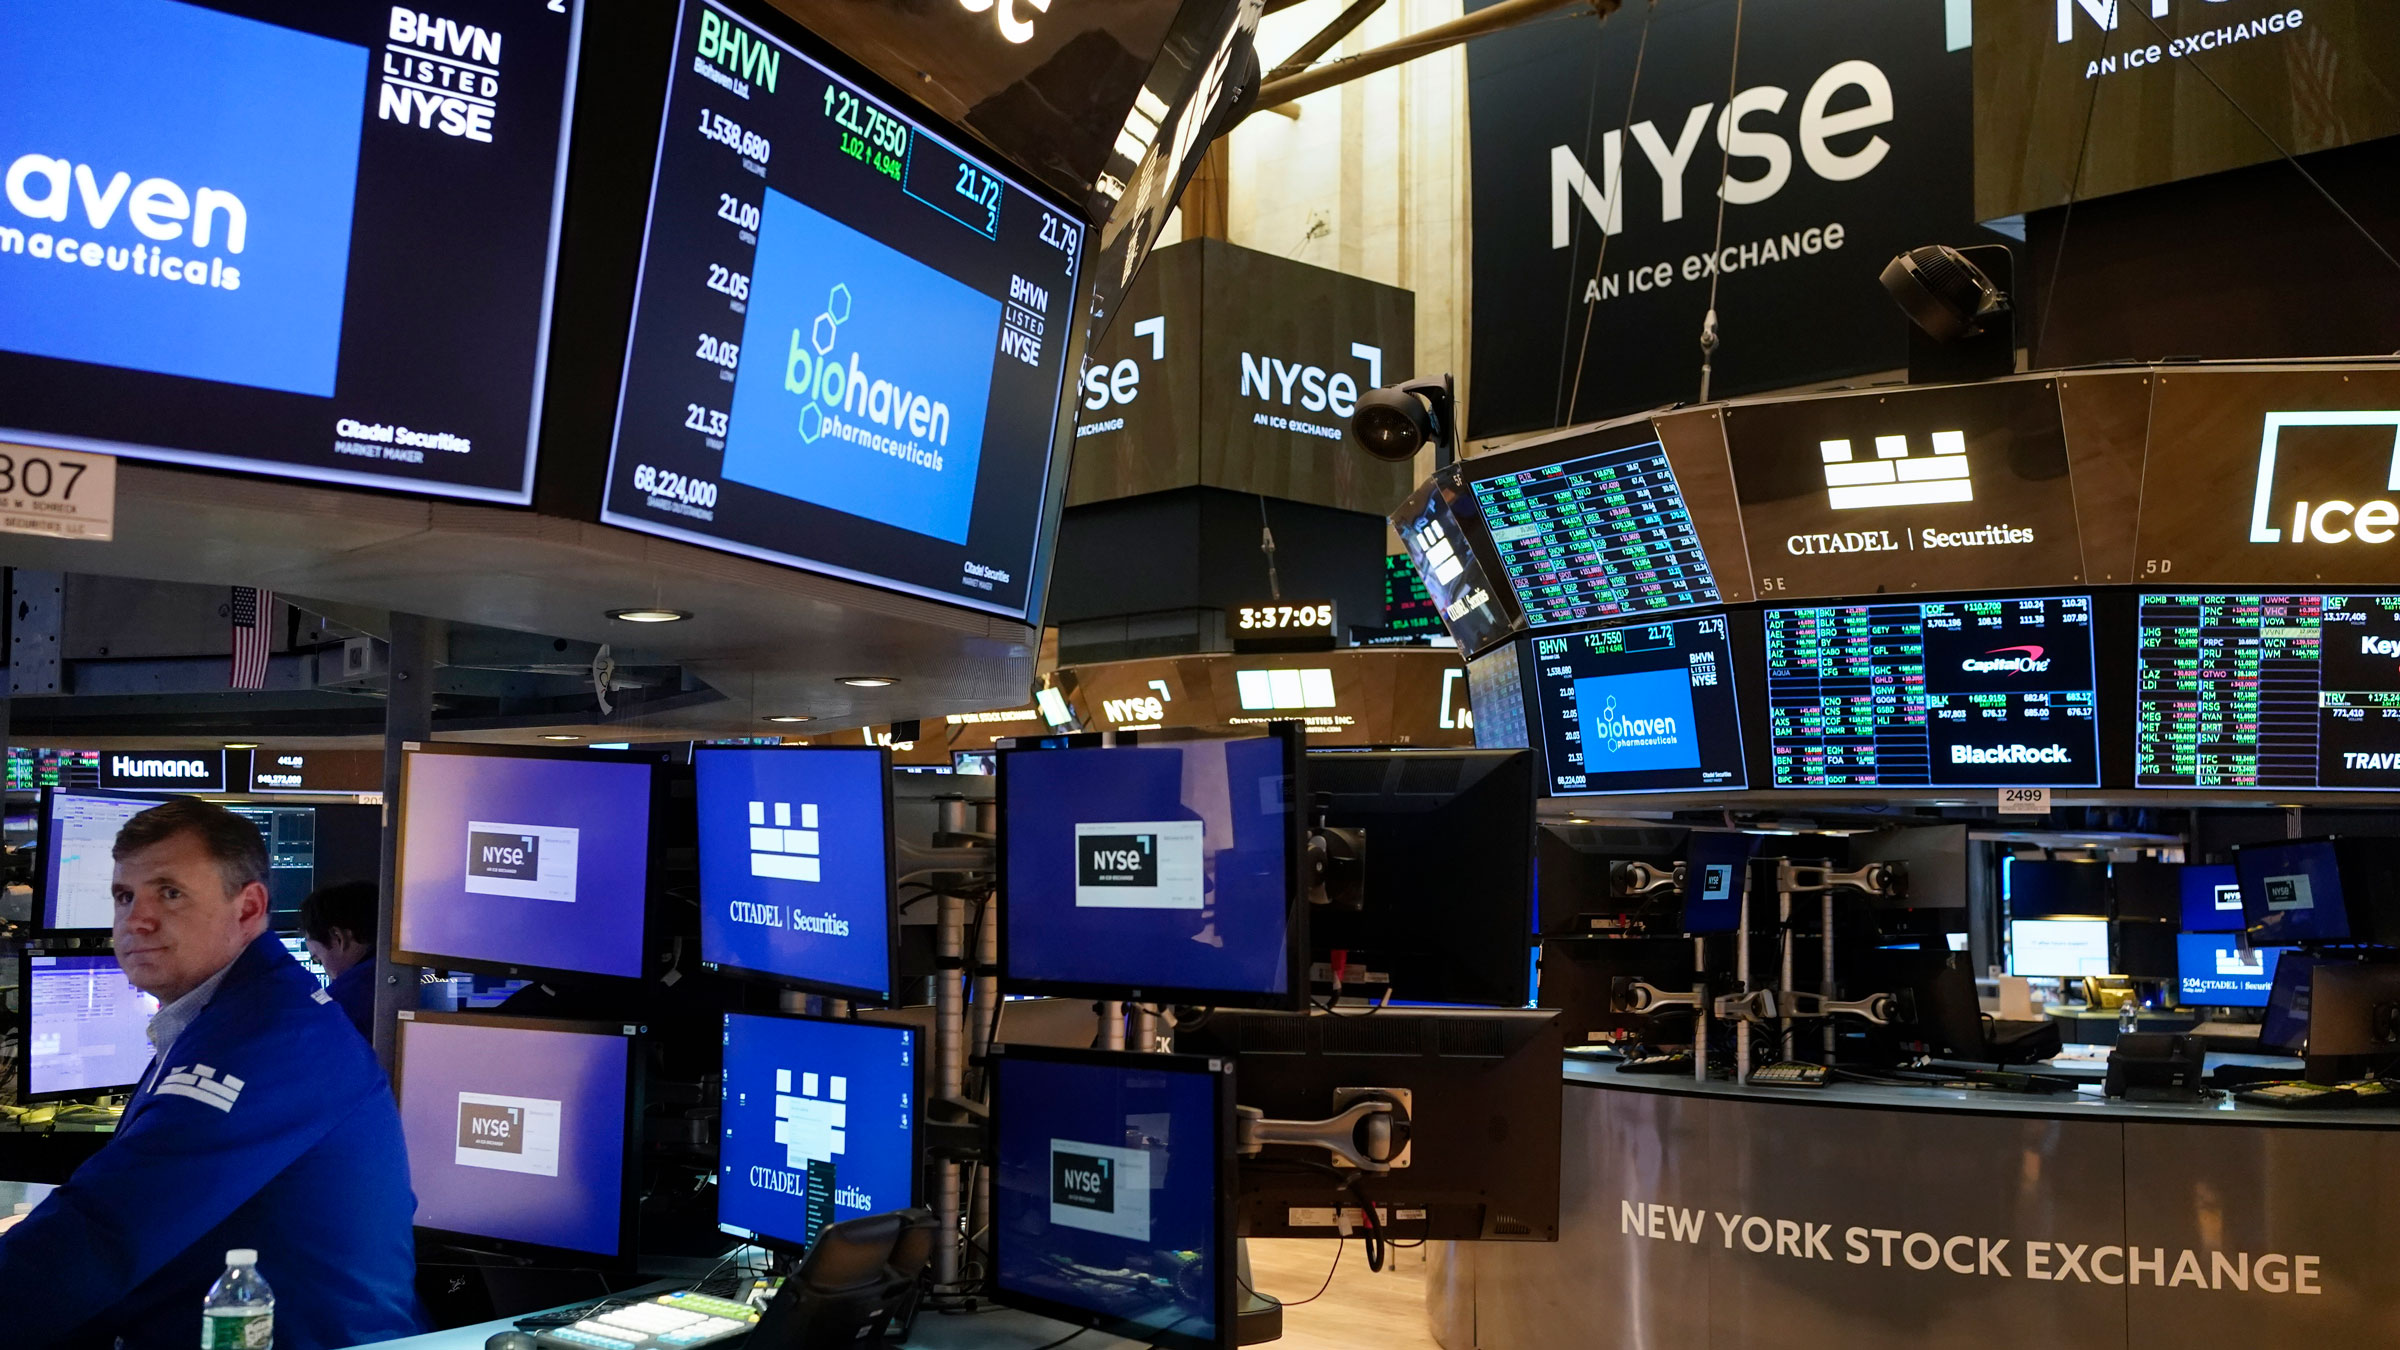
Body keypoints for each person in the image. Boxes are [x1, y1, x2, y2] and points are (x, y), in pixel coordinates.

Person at [0, 798, 428, 1349]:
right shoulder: (230, 1013)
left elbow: (107, 1230)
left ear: (248, 909)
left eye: (169, 893)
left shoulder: (269, 1037)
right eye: (124, 896)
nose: (136, 919)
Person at [298, 880, 381, 1040]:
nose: (324, 969)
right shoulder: (417, 968)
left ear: (338, 937)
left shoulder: (338, 1004)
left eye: (319, 960)